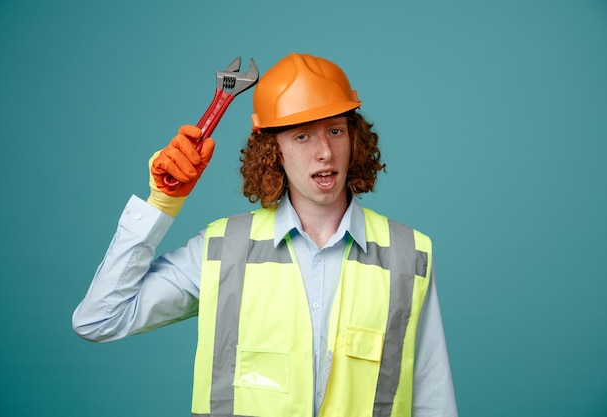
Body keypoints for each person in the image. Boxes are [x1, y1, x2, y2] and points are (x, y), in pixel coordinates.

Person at [72, 53, 458, 417]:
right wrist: (162, 204)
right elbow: (99, 319)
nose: (324, 152)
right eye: (302, 136)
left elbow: (433, 399)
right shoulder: (223, 250)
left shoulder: (408, 254)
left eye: (335, 130)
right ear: (274, 152)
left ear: (354, 139)